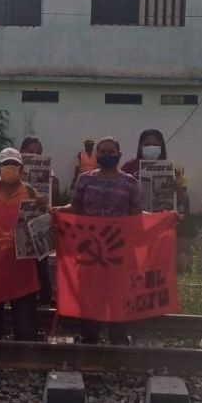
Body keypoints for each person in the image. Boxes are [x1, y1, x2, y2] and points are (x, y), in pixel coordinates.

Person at [57, 136, 141, 344]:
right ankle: (89, 336)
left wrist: (165, 218)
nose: (106, 155)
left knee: (119, 293)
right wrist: (57, 211)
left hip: (118, 250)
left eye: (110, 151)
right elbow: (75, 207)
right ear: (96, 155)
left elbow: (136, 215)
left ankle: (118, 336)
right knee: (90, 293)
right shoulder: (85, 179)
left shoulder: (130, 182)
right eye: (102, 151)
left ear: (119, 154)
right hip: (90, 249)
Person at [0, 147, 41, 341]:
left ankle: (26, 354)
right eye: (6, 164)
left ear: (21, 168)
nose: (10, 168)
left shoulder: (30, 191)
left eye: (14, 165)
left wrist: (45, 207)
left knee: (25, 315)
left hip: (22, 263)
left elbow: (39, 224)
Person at [19, 135, 58, 307]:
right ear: (22, 152)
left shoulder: (50, 172)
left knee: (41, 261)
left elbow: (53, 201)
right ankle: (23, 299)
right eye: (30, 151)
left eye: (38, 152)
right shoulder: (13, 170)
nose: (35, 154)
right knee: (23, 262)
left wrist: (54, 188)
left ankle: (44, 300)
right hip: (19, 222)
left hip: (40, 221)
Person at [121, 128, 189, 212]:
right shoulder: (129, 166)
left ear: (161, 147)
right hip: (136, 217)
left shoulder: (172, 169)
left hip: (162, 218)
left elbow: (181, 201)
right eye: (148, 144)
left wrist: (178, 190)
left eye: (155, 145)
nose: (151, 147)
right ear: (140, 146)